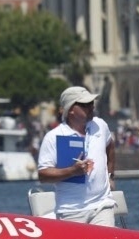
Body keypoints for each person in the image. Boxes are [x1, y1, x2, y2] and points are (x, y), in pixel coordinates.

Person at [37, 85, 117, 225]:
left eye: (91, 103)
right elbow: (43, 175)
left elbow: (110, 146)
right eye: (85, 105)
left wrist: (110, 176)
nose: (91, 107)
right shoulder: (53, 137)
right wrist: (72, 171)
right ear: (71, 110)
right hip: (71, 210)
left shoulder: (100, 125)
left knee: (105, 238)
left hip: (102, 205)